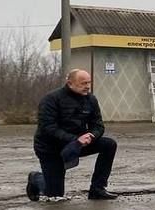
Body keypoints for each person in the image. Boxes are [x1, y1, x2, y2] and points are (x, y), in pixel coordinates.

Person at [27, 69, 118, 202]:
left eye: (89, 83)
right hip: (50, 148)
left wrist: (92, 135)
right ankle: (36, 178)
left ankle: (97, 189)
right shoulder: (51, 99)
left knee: (109, 144)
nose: (87, 86)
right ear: (70, 83)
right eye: (83, 83)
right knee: (55, 196)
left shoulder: (91, 100)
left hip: (77, 144)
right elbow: (48, 128)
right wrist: (75, 139)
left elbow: (98, 125)